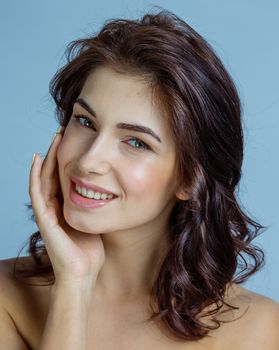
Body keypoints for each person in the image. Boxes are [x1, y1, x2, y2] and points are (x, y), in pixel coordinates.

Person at [0, 8, 278, 350]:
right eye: (85, 121)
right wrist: (73, 284)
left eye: (136, 142)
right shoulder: (6, 299)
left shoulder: (261, 331)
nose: (89, 161)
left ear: (190, 179)